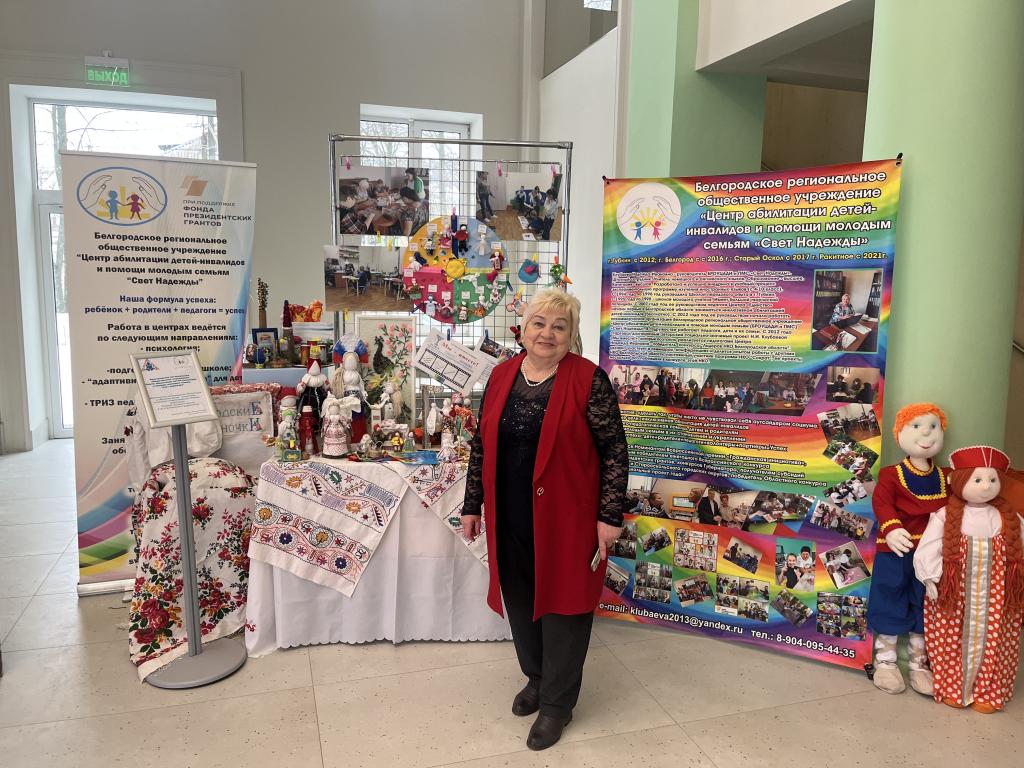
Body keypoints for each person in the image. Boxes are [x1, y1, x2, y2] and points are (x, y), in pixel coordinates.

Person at [461, 289, 627, 751]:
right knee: (520, 598)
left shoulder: (589, 379)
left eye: (559, 326)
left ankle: (557, 704)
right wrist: (472, 504)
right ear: (523, 328)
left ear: (571, 334)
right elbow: (481, 444)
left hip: (568, 517)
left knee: (565, 607)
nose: (547, 333)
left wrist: (609, 515)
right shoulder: (501, 375)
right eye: (539, 323)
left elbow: (614, 450)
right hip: (510, 513)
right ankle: (536, 677)